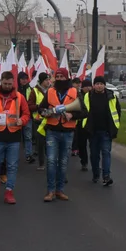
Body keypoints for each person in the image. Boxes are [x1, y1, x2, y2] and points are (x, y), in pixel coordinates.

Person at [0, 71, 31, 205]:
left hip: (14, 136)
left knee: (12, 165)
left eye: (10, 84)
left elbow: (27, 114)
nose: (8, 86)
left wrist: (23, 120)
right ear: (1, 82)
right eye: (5, 83)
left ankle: (9, 191)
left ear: (13, 83)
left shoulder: (19, 97)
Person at [41, 68, 78, 202]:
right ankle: (50, 191)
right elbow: (41, 109)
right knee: (51, 161)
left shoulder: (74, 92)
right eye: (58, 76)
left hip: (68, 132)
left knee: (63, 162)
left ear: (67, 77)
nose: (60, 78)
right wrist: (48, 112)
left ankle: (59, 190)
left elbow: (84, 112)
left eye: (63, 76)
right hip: (52, 131)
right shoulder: (50, 92)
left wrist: (72, 115)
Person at [79, 75, 121, 185]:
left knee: (106, 153)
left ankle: (106, 176)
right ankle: (95, 174)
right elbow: (83, 111)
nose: (99, 86)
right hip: (92, 131)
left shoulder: (111, 96)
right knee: (94, 154)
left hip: (106, 131)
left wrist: (115, 127)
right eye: (97, 84)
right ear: (94, 85)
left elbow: (117, 112)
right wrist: (86, 127)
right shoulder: (88, 96)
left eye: (101, 84)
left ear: (104, 85)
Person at [28, 72, 50, 169]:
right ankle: (41, 163)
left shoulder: (51, 90)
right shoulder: (34, 91)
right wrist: (39, 107)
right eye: (46, 80)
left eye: (48, 79)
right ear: (41, 81)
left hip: (49, 119)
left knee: (50, 143)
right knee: (40, 143)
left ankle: (51, 162)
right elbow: (30, 106)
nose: (48, 81)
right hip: (38, 120)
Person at [72, 78, 93, 172]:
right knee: (82, 144)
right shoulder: (79, 95)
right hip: (81, 124)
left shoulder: (94, 95)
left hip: (92, 124)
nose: (88, 88)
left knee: (93, 145)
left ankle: (95, 163)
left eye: (90, 86)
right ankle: (84, 162)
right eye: (86, 86)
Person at [17, 72, 34, 163]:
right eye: (22, 79)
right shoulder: (15, 90)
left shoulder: (30, 90)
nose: (24, 80)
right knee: (16, 137)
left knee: (28, 137)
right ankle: (14, 155)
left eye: (25, 79)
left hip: (27, 116)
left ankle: (29, 155)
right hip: (16, 116)